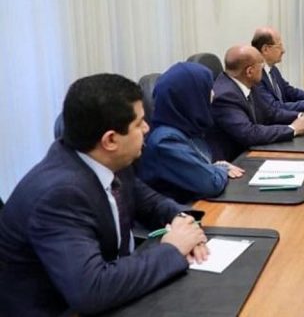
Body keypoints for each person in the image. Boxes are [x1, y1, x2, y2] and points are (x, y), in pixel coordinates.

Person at [0, 74, 208, 316]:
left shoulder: (108, 160)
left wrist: (183, 222)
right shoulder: (60, 194)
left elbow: (152, 203)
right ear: (110, 140)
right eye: (139, 123)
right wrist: (172, 249)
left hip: (118, 288)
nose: (147, 128)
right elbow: (91, 291)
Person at [138, 62, 244, 203]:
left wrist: (214, 169)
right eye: (208, 89)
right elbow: (211, 184)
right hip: (181, 212)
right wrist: (221, 168)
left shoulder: (186, 127)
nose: (214, 94)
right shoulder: (165, 142)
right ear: (192, 97)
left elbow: (202, 170)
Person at [206, 45, 304, 161]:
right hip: (235, 161)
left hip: (252, 150)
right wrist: (293, 128)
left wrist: (301, 116)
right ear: (250, 71)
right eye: (261, 65)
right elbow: (249, 134)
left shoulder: (247, 82)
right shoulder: (225, 96)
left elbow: (270, 112)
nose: (264, 68)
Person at [252, 26, 304, 115]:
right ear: (265, 49)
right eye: (279, 46)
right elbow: (274, 107)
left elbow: (289, 92)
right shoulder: (255, 76)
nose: (283, 50)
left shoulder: (272, 69)